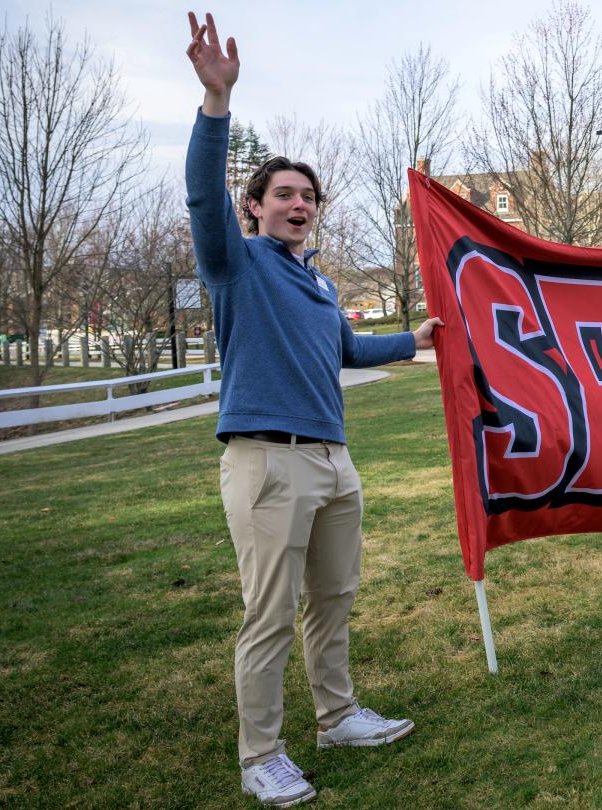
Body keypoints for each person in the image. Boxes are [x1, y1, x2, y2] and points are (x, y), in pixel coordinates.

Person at [184, 12, 441, 807]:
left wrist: (417, 338)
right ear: (255, 208)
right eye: (284, 194)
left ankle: (337, 718)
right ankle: (261, 754)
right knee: (268, 614)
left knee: (333, 599)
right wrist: (216, 103)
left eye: (309, 196)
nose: (299, 204)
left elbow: (344, 351)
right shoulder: (238, 265)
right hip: (267, 457)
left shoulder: (320, 283)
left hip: (333, 458)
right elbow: (201, 197)